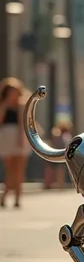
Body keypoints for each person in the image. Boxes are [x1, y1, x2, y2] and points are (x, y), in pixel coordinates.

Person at [0, 78, 30, 208]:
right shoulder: (3, 105)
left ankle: (17, 198)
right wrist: (5, 105)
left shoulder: (21, 106)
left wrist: (21, 140)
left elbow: (21, 125)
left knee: (19, 170)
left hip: (19, 137)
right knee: (10, 170)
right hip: (6, 138)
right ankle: (5, 196)